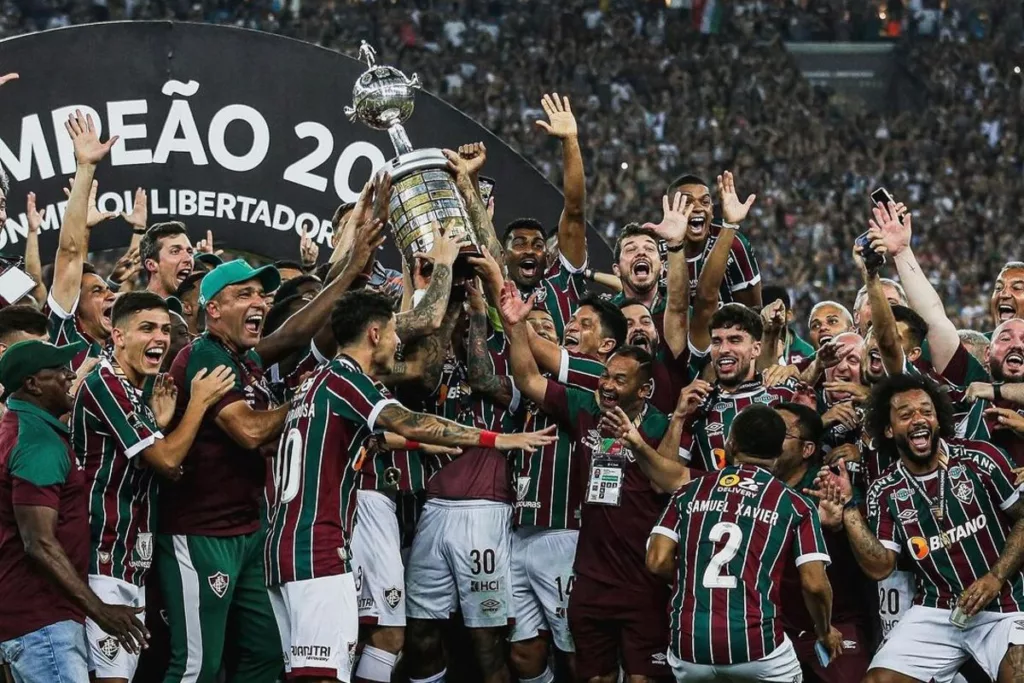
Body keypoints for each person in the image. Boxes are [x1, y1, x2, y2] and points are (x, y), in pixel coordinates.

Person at [265, 290, 555, 683]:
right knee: (322, 676)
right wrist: (496, 439)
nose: (398, 342)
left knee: (305, 671)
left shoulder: (317, 383)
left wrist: (428, 444)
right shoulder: (345, 379)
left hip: (285, 544)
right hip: (317, 545)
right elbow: (408, 421)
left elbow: (380, 439)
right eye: (392, 333)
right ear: (373, 334)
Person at [158, 222, 381, 683]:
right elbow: (250, 431)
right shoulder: (204, 355)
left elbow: (295, 332)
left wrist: (349, 272)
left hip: (248, 530)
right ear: (212, 309)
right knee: (198, 667)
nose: (259, 302)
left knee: (264, 658)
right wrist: (309, 396)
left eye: (262, 295)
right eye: (245, 295)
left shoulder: (244, 357)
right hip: (201, 534)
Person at [502, 280, 675, 683]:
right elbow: (528, 379)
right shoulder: (585, 406)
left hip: (638, 576)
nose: (608, 385)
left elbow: (669, 481)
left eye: (619, 379)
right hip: (590, 573)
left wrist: (651, 433)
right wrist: (514, 326)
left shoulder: (658, 425)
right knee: (589, 675)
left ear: (644, 388)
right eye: (607, 378)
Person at [72, 292, 235, 683]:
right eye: (146, 328)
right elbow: (166, 461)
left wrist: (161, 429)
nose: (160, 338)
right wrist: (198, 404)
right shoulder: (104, 384)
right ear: (118, 335)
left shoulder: (136, 390)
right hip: (101, 558)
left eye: (164, 328)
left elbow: (165, 468)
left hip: (131, 561)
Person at [818, 373, 1024, 682]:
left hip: (1005, 602)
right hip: (938, 609)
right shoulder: (884, 490)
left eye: (927, 411)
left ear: (938, 419)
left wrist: (996, 577)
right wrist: (848, 510)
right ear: (888, 429)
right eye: (906, 414)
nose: (919, 419)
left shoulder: (980, 458)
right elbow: (880, 567)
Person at [644, 404, 840, 681]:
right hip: (757, 647)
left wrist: (693, 578)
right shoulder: (796, 504)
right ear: (778, 450)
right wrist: (825, 630)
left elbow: (657, 560)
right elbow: (815, 585)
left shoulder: (688, 492)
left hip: (689, 647)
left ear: (730, 443)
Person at [0, 340, 148, 681]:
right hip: (42, 620)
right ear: (32, 384)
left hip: (37, 615)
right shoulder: (37, 442)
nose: (71, 375)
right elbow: (38, 543)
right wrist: (100, 610)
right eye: (59, 371)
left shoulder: (27, 427)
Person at [774, 402, 873, 682]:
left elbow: (873, 554)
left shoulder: (829, 486)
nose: (769, 439)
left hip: (837, 622)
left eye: (781, 434)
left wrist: (843, 520)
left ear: (807, 450)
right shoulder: (758, 488)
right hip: (774, 626)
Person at [500, 93, 588, 339]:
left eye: (538, 245)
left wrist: (570, 140)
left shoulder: (562, 283)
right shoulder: (494, 290)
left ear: (547, 255)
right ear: (503, 255)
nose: (530, 250)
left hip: (562, 377)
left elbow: (575, 211)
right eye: (519, 244)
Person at [679, 304, 797, 471]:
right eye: (716, 341)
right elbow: (664, 481)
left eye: (735, 340)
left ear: (756, 349)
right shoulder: (696, 403)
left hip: (775, 495)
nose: (724, 349)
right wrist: (679, 417)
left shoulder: (785, 392)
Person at [47, 111, 119, 372]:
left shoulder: (119, 351)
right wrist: (86, 167)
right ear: (75, 304)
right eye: (97, 292)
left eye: (105, 288)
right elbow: (70, 254)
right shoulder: (64, 336)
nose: (111, 293)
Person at [668, 171, 761, 308]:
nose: (698, 208)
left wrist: (730, 225)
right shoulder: (653, 247)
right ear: (670, 209)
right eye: (687, 202)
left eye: (705, 202)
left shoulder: (733, 243)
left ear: (711, 210)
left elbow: (753, 312)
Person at [140, 222, 196, 300]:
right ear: (151, 265)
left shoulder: (196, 309)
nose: (188, 258)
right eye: (175, 251)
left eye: (190, 252)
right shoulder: (133, 310)